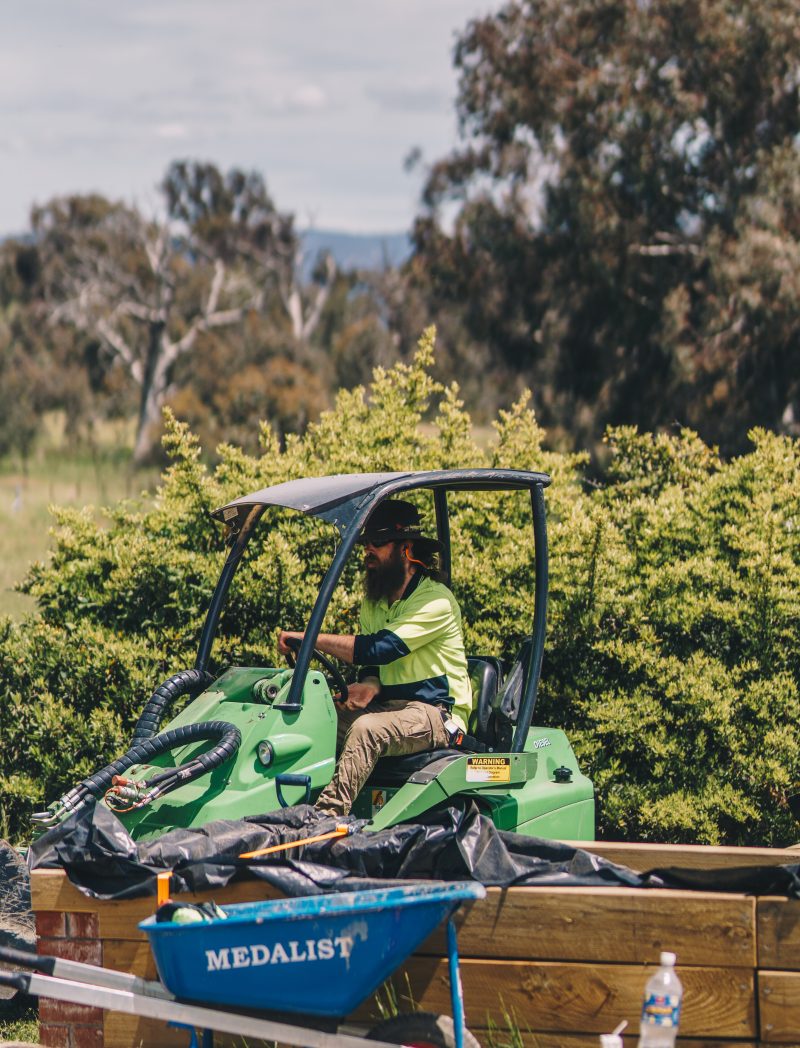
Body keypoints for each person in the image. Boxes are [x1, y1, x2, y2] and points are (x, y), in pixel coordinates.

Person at [278, 499, 472, 816]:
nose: (368, 550)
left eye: (377, 543)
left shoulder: (435, 600)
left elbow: (381, 648)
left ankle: (325, 818)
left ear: (407, 549)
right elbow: (373, 664)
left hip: (436, 714)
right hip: (392, 708)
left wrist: (308, 638)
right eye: (365, 543)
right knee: (315, 719)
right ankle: (284, 807)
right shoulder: (375, 602)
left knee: (367, 728)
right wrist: (370, 683)